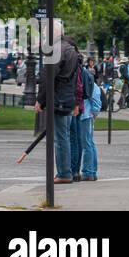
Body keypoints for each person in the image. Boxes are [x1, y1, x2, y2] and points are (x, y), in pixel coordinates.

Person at [35, 21, 82, 184]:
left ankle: (64, 173)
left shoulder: (56, 50)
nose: (44, 36)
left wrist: (40, 100)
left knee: (61, 138)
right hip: (67, 98)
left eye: (45, 33)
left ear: (53, 33)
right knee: (66, 137)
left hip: (59, 99)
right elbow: (75, 78)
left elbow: (47, 77)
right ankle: (68, 171)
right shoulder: (70, 49)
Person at [71, 61, 101, 182]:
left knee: (86, 144)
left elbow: (95, 100)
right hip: (88, 114)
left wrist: (93, 112)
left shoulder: (89, 83)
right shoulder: (92, 83)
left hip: (85, 115)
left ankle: (88, 171)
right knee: (89, 144)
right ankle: (91, 171)